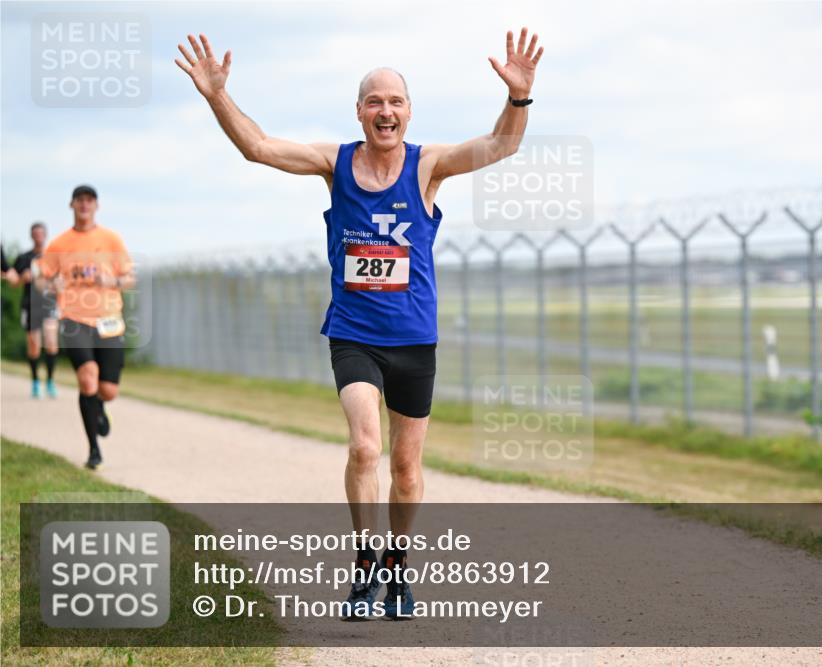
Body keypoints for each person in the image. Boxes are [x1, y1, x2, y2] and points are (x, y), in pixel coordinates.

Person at [177, 28, 543, 619]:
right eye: (374, 101)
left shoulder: (428, 166)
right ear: (359, 111)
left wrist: (519, 97)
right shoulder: (335, 162)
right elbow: (260, 147)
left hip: (414, 340)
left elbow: (501, 145)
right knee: (365, 447)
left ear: (408, 111)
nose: (385, 110)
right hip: (353, 335)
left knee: (406, 466)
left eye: (395, 101)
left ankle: (398, 568)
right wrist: (218, 95)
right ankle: (366, 561)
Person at [36, 185, 135, 470]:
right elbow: (42, 279)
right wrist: (51, 284)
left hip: (109, 321)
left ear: (96, 206)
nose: (84, 205)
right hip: (74, 319)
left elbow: (130, 279)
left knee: (107, 390)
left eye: (89, 200)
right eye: (79, 200)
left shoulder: (111, 240)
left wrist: (113, 282)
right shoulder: (59, 244)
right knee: (87, 379)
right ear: (72, 205)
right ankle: (94, 450)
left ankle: (100, 406)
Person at [12, 222, 60, 398]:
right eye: (35, 234)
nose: (38, 236)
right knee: (34, 346)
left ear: (45, 235)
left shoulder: (53, 258)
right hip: (30, 305)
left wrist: (48, 284)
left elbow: (60, 283)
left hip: (49, 305)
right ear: (31, 236)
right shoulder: (24, 258)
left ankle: (50, 381)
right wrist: (21, 278)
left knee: (51, 342)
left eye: (41, 233)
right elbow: (13, 281)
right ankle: (34, 382)